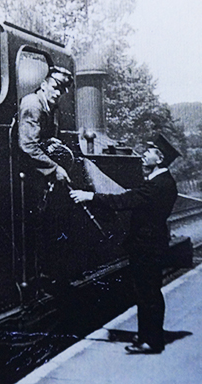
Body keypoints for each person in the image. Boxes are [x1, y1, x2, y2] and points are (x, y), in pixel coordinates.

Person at [70, 133, 181, 354]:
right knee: (146, 293)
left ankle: (152, 341)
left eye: (148, 152)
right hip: (149, 245)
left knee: (147, 294)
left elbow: (124, 200)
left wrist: (89, 196)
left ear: (159, 159)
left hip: (147, 247)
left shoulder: (159, 185)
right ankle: (146, 336)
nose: (143, 154)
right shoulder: (162, 181)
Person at [18, 65, 73, 185]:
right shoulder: (33, 105)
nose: (58, 93)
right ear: (43, 85)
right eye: (55, 88)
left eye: (62, 91)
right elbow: (28, 145)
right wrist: (55, 169)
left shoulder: (49, 105)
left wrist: (47, 141)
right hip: (24, 170)